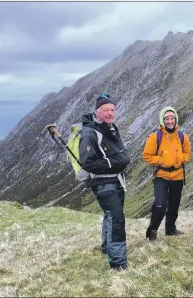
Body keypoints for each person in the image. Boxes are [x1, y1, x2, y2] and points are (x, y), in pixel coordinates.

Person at [79, 93, 130, 271]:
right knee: (116, 218)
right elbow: (88, 162)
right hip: (103, 183)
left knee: (110, 215)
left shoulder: (111, 128)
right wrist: (114, 163)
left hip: (115, 181)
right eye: (106, 110)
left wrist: (120, 161)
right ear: (97, 112)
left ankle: (106, 248)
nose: (110, 113)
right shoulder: (89, 133)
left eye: (112, 110)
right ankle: (118, 263)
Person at [142, 106, 191, 241]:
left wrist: (182, 158)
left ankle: (170, 229)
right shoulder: (154, 137)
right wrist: (161, 160)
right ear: (162, 120)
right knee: (160, 204)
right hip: (162, 175)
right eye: (167, 119)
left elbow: (187, 153)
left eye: (172, 118)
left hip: (178, 175)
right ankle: (152, 231)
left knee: (174, 205)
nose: (170, 121)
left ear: (175, 119)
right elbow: (146, 156)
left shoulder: (182, 136)